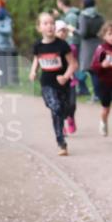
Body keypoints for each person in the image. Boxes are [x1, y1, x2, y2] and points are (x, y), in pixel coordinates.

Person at [29, 12, 78, 156]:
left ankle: (66, 119)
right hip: (47, 84)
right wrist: (33, 71)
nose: (50, 26)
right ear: (39, 28)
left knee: (65, 108)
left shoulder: (62, 45)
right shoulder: (37, 46)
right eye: (46, 23)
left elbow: (73, 64)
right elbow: (37, 59)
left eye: (52, 23)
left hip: (63, 84)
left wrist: (65, 76)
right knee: (55, 108)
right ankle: (61, 143)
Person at [57, 0, 84, 127]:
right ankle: (62, 126)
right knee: (60, 103)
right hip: (57, 79)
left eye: (64, 31)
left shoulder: (71, 47)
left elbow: (74, 63)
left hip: (70, 79)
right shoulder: (51, 47)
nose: (62, 34)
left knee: (72, 104)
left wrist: (71, 73)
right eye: (59, 32)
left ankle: (71, 117)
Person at [76, 0, 104, 100]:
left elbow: (82, 33)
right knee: (98, 70)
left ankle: (97, 94)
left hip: (88, 46)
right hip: (98, 43)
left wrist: (74, 30)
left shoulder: (83, 16)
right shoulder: (100, 16)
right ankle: (99, 93)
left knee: (92, 71)